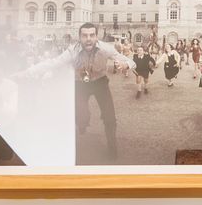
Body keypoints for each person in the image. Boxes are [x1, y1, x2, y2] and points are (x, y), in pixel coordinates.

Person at [12, 22, 131, 161]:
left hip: (100, 82)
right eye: (85, 35)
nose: (88, 39)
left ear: (96, 37)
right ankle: (82, 122)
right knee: (81, 116)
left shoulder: (106, 48)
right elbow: (52, 63)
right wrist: (26, 73)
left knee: (109, 117)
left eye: (92, 35)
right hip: (80, 83)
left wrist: (126, 64)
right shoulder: (72, 51)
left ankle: (112, 147)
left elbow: (129, 61)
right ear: (79, 37)